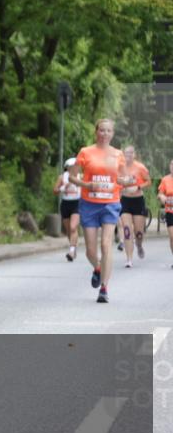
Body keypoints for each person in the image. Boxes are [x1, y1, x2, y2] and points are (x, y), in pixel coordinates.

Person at [69, 119, 133, 303]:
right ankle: (97, 267)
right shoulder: (85, 152)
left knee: (106, 245)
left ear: (113, 133)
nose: (105, 134)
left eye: (108, 131)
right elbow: (72, 177)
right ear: (96, 132)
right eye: (102, 130)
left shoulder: (118, 154)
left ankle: (104, 288)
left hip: (110, 204)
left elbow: (122, 178)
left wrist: (126, 180)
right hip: (89, 204)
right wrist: (87, 184)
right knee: (90, 250)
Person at [118, 145, 151, 267]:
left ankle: (139, 245)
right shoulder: (120, 167)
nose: (128, 156)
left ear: (134, 155)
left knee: (138, 233)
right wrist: (122, 183)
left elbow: (148, 181)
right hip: (125, 201)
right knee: (127, 230)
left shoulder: (140, 167)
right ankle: (129, 259)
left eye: (130, 153)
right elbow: (116, 180)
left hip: (138, 201)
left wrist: (138, 187)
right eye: (126, 153)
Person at [54, 157, 82, 261]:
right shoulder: (62, 177)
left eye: (77, 166)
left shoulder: (81, 177)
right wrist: (63, 188)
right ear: (68, 168)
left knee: (73, 227)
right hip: (65, 203)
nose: (76, 168)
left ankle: (71, 250)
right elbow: (55, 190)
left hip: (77, 203)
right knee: (68, 230)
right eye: (74, 167)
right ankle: (73, 247)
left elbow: (87, 188)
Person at [158, 158, 173, 269]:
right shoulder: (165, 180)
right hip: (170, 211)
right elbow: (160, 194)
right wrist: (162, 197)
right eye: (172, 164)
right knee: (172, 237)